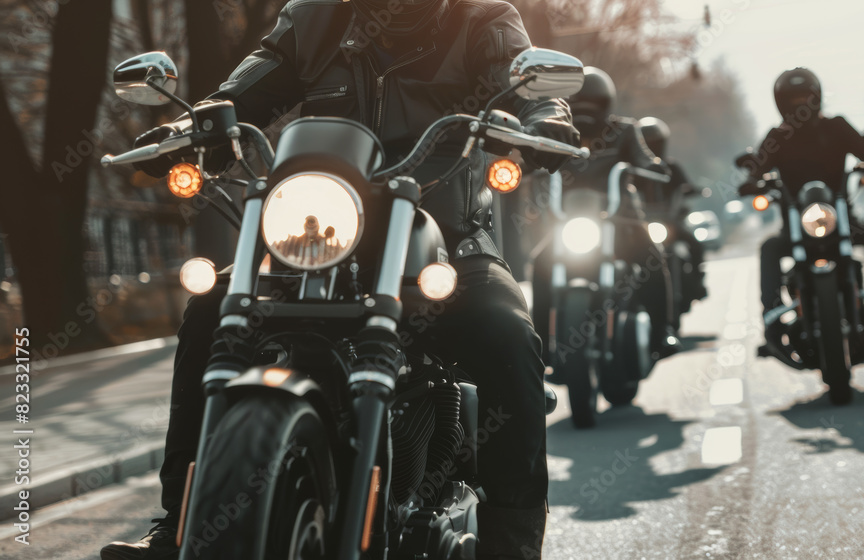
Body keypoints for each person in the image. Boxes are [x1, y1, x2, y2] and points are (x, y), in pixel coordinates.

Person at [100, 1, 578, 559]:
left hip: (444, 237)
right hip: (321, 234)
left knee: (508, 335)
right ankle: (179, 525)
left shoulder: (480, 18)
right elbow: (244, 90)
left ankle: (512, 545)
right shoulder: (315, 18)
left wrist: (546, 112)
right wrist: (191, 125)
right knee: (210, 312)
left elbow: (520, 72)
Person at [742, 67, 864, 349]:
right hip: (796, 227)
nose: (799, 105)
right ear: (781, 103)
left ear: (817, 97)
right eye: (793, 100)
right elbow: (757, 169)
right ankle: (772, 324)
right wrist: (751, 180)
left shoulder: (837, 127)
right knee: (769, 249)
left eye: (804, 98)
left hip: (842, 220)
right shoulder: (777, 137)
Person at [531, 67, 680, 366]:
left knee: (653, 256)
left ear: (606, 104)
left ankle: (663, 331)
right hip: (571, 222)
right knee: (540, 264)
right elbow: (534, 155)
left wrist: (653, 166)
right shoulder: (557, 133)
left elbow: (642, 157)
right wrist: (520, 167)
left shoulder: (625, 130)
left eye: (593, 104)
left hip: (621, 220)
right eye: (579, 103)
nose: (586, 111)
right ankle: (540, 346)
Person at [637, 116, 708, 307]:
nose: (652, 146)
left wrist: (692, 189)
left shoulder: (672, 167)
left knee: (696, 245)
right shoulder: (635, 170)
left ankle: (697, 281)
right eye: (647, 142)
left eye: (655, 142)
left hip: (669, 222)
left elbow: (686, 184)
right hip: (644, 225)